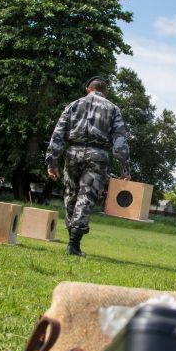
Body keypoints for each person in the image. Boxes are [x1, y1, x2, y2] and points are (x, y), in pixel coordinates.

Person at [45, 76, 130, 257]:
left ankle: (72, 237)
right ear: (105, 92)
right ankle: (74, 243)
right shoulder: (113, 109)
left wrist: (52, 162)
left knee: (71, 194)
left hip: (73, 153)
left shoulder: (73, 105)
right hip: (97, 156)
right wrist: (125, 168)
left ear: (87, 89)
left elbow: (58, 134)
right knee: (86, 197)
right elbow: (120, 141)